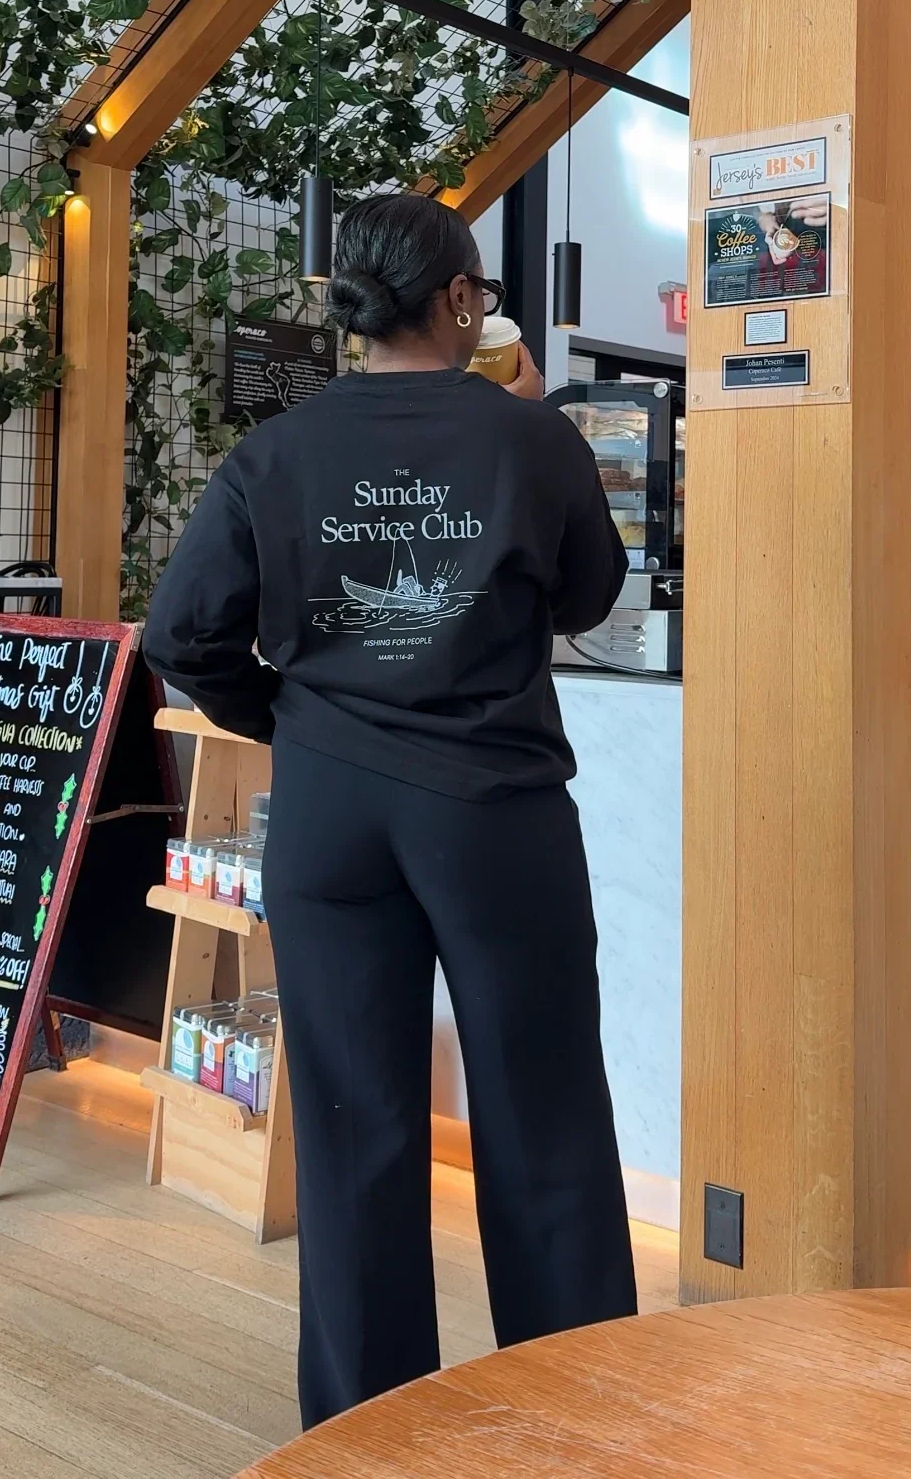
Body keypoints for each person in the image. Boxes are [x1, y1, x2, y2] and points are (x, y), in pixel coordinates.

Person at [143, 193, 637, 1430]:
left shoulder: (277, 452)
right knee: (544, 1112)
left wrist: (293, 722)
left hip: (330, 816)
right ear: (464, 301)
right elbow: (588, 599)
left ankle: (369, 1438)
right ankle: (574, 1415)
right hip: (492, 809)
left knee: (353, 1121)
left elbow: (178, 633)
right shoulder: (537, 441)